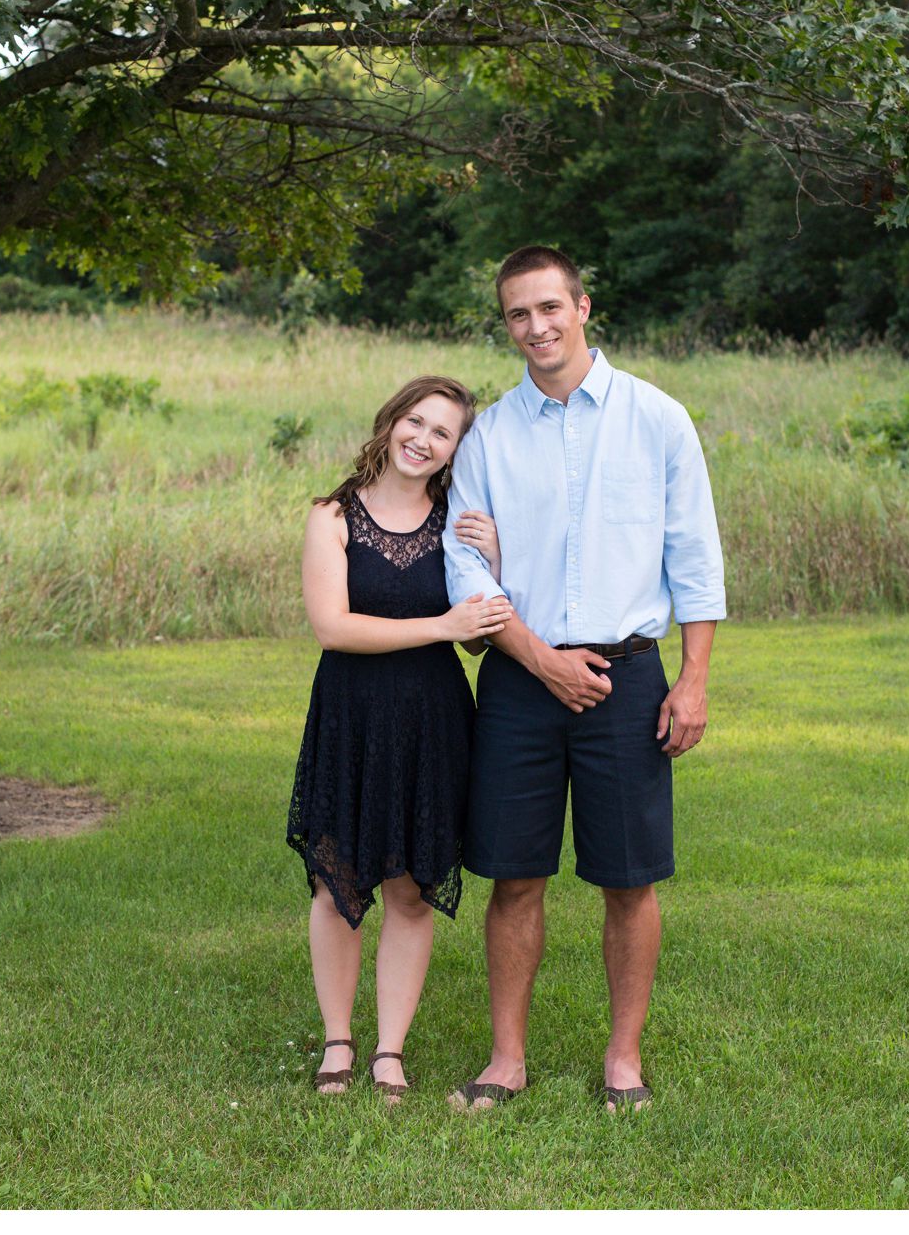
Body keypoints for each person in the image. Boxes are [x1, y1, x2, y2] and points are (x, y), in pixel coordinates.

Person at [442, 245, 726, 1113]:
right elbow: (466, 566)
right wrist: (539, 659)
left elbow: (695, 558)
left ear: (583, 307)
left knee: (628, 879)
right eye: (518, 316)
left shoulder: (658, 419)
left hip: (631, 681)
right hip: (524, 683)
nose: (536, 328)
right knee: (513, 875)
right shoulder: (487, 434)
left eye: (549, 309)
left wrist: (694, 679)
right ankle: (505, 1062)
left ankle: (624, 1063)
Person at [286, 374, 514, 1103]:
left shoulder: (457, 522)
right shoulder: (332, 517)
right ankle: (338, 1043)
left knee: (412, 890)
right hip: (351, 715)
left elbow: (477, 643)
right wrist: (441, 628)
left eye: (441, 432)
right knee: (336, 881)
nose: (423, 439)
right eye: (414, 421)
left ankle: (389, 1051)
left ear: (453, 452)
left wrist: (495, 569)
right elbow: (333, 627)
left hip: (433, 720)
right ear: (390, 424)